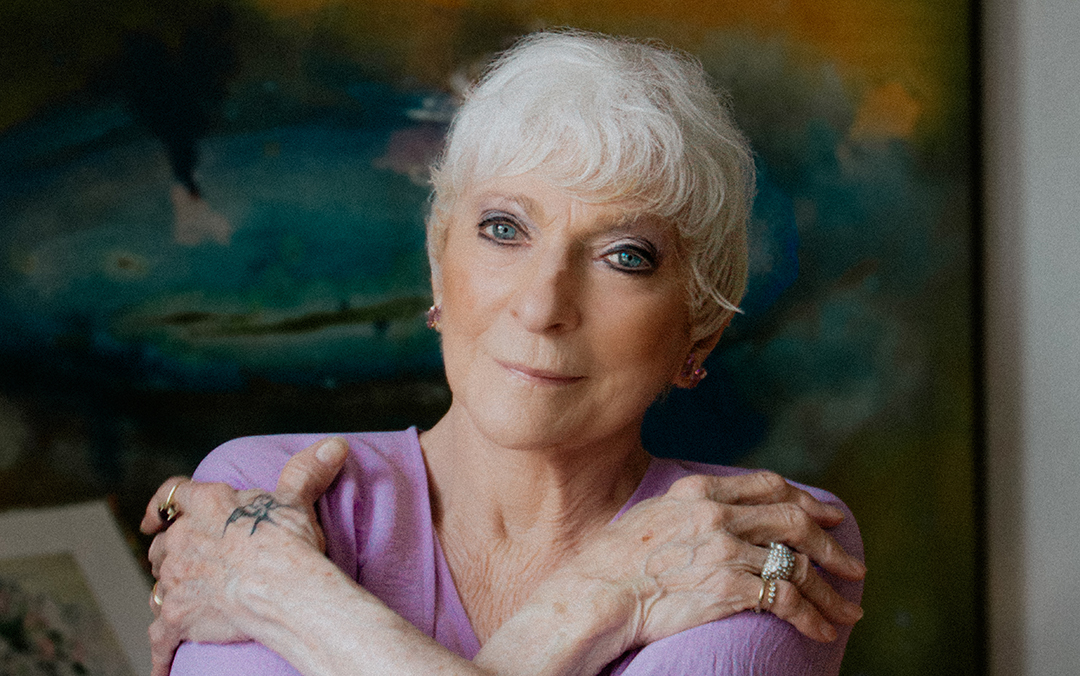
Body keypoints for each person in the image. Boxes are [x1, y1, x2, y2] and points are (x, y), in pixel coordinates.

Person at [141, 29, 865, 676]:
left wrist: (284, 595)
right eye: (504, 229)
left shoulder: (757, 539)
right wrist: (607, 601)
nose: (542, 305)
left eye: (625, 256)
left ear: (698, 328)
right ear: (438, 267)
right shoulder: (269, 489)